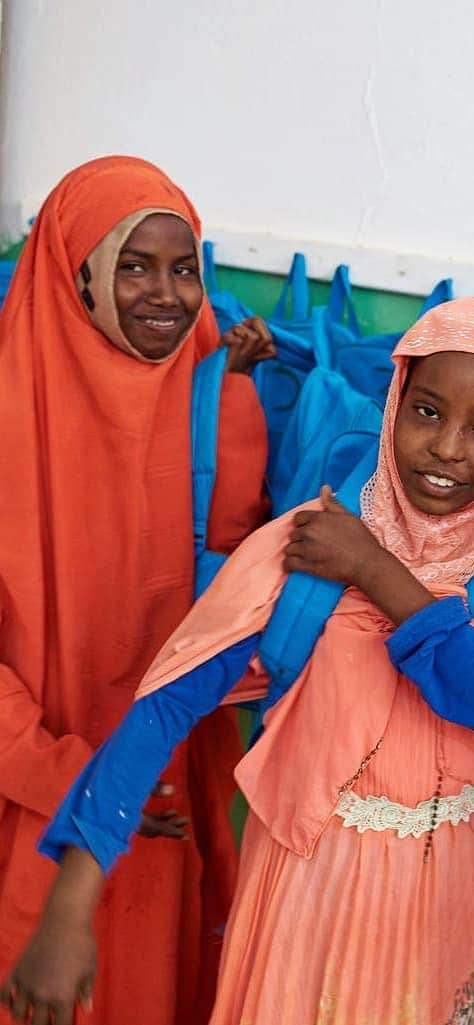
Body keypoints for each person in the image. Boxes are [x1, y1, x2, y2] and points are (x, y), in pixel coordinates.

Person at [3, 296, 474, 1025]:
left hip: (449, 897)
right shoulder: (304, 545)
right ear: (394, 402)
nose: (449, 448)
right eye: (426, 411)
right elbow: (167, 705)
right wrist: (69, 908)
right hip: (310, 885)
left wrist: (377, 572)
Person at [0, 156, 273, 1025]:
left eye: (184, 267)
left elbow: (225, 578)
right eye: (133, 264)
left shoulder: (205, 399)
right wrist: (76, 779)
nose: (166, 293)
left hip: (161, 796)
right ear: (73, 273)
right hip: (33, 797)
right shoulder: (12, 417)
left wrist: (231, 402)